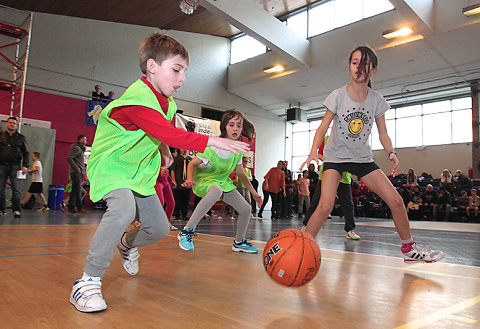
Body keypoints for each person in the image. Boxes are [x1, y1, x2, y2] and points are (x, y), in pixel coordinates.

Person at [69, 33, 250, 313]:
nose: (183, 78)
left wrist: (164, 150)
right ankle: (87, 282)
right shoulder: (137, 98)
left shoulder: (167, 102)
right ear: (152, 66)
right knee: (123, 210)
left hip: (138, 170)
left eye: (185, 71)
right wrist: (214, 140)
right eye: (176, 70)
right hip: (112, 166)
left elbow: (159, 130)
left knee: (159, 228)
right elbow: (165, 129)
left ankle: (126, 242)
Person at [300, 46, 444, 263]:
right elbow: (322, 128)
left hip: (362, 159)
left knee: (395, 201)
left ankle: (409, 250)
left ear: (374, 70)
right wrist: (313, 152)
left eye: (364, 63)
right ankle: (301, 248)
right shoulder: (338, 96)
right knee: (325, 204)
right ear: (350, 66)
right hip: (335, 159)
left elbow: (383, 133)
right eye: (355, 62)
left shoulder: (376, 100)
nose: (359, 67)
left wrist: (391, 152)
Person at [178, 110, 262, 252]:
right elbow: (192, 163)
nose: (235, 128)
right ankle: (187, 231)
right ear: (224, 127)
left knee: (246, 209)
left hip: (222, 182)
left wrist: (254, 193)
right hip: (204, 180)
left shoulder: (238, 150)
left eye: (239, 125)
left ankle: (239, 242)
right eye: (231, 125)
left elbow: (241, 174)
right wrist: (190, 179)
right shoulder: (213, 145)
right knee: (216, 190)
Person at [303, 135, 360, 240]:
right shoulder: (327, 138)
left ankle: (350, 230)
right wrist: (332, 161)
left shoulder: (351, 138)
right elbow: (319, 154)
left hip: (344, 176)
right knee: (316, 201)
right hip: (327, 174)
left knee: (348, 203)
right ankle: (306, 225)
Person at [0, 116, 29, 218]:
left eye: (13, 123)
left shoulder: (21, 138)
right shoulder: (1, 136)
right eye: (10, 123)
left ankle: (16, 209)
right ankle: (1, 209)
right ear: (6, 124)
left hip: (15, 166)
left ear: (16, 125)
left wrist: (25, 165)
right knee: (0, 189)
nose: (11, 124)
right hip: (2, 165)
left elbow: (26, 152)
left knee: (16, 189)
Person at [66, 135, 87, 214]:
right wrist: (76, 167)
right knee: (78, 190)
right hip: (76, 172)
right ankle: (79, 207)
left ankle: (71, 207)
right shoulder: (77, 148)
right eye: (85, 140)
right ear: (81, 140)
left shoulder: (79, 148)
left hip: (78, 172)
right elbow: (68, 157)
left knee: (74, 190)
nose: (86, 142)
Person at [170, 148, 192, 220]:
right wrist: (174, 180)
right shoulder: (177, 159)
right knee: (178, 199)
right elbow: (173, 170)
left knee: (186, 200)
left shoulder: (189, 159)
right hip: (179, 180)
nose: (184, 150)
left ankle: (184, 215)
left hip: (186, 181)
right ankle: (177, 215)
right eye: (182, 148)